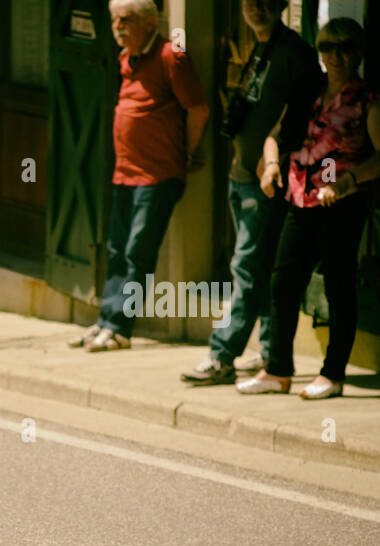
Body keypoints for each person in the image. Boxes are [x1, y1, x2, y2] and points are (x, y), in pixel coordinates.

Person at [238, 18, 380, 400]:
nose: (335, 55)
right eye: (328, 47)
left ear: (358, 52)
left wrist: (347, 182)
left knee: (338, 287)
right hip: (301, 199)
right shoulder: (308, 92)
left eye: (345, 47)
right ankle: (278, 369)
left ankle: (333, 374)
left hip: (341, 204)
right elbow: (275, 136)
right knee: (283, 283)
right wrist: (271, 166)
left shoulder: (365, 100)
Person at [181, 0, 319, 385]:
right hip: (241, 173)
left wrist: (277, 158)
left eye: (264, 1)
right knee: (259, 269)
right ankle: (269, 351)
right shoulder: (259, 45)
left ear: (280, 4)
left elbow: (306, 116)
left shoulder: (294, 53)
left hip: (267, 179)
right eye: (248, 2)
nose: (255, 8)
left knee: (247, 268)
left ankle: (222, 354)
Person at [71, 0, 209, 352]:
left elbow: (198, 108)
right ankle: (106, 319)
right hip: (125, 173)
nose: (117, 26)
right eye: (114, 19)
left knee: (138, 251)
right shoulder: (126, 57)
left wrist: (189, 153)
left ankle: (120, 327)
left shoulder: (170, 55)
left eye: (126, 19)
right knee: (118, 249)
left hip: (158, 174)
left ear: (150, 22)